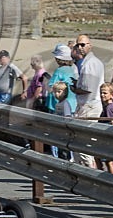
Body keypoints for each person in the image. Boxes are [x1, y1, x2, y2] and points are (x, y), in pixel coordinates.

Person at [71, 35, 105, 169]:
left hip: (89, 104)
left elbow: (87, 88)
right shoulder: (87, 62)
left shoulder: (91, 63)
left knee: (83, 144)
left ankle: (90, 172)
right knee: (80, 144)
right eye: (78, 45)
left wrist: (75, 88)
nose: (80, 47)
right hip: (87, 104)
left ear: (90, 45)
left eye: (83, 45)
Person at [43, 44, 78, 114]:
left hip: (59, 105)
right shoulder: (71, 69)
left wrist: (46, 81)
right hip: (72, 103)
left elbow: (51, 87)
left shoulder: (59, 71)